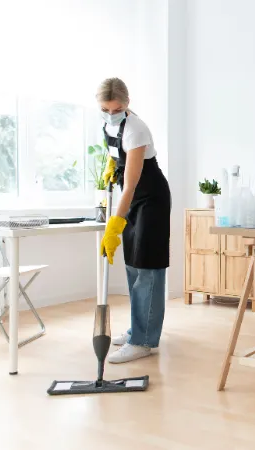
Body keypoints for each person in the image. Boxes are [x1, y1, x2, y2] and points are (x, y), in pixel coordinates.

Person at [97, 77, 171, 364]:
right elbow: (118, 158)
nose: (111, 114)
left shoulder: (136, 128)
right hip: (134, 200)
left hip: (150, 199)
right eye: (106, 109)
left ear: (127, 104)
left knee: (147, 268)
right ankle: (136, 330)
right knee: (132, 266)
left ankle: (144, 341)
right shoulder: (108, 125)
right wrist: (110, 166)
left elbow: (130, 185)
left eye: (117, 109)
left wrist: (114, 227)